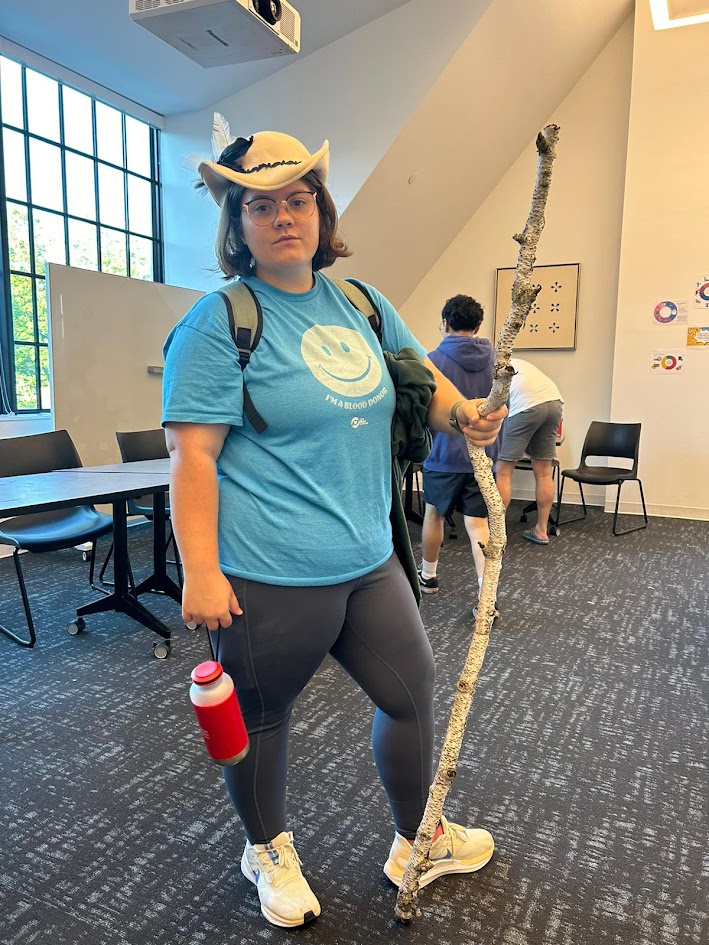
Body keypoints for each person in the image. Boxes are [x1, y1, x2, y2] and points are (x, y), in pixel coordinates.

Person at [162, 123, 506, 929]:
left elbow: (418, 378)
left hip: (368, 557)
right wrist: (202, 571)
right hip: (268, 569)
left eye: (299, 199)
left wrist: (469, 417)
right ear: (236, 226)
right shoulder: (219, 322)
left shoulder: (360, 302)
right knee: (262, 717)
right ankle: (266, 847)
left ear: (321, 212)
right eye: (260, 206)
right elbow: (193, 458)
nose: (284, 216)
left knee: (411, 695)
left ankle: (415, 839)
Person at [418, 295, 499, 615]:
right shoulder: (497, 361)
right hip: (482, 454)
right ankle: (486, 592)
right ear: (478, 326)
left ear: (445, 324)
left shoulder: (432, 360)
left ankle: (429, 577)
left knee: (434, 515)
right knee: (478, 523)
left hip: (442, 455)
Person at [495, 358, 563, 545]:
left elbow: (494, 408)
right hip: (554, 401)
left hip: (526, 404)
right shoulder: (515, 361)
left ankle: (496, 534)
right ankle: (541, 530)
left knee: (502, 471)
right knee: (543, 472)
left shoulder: (491, 368)